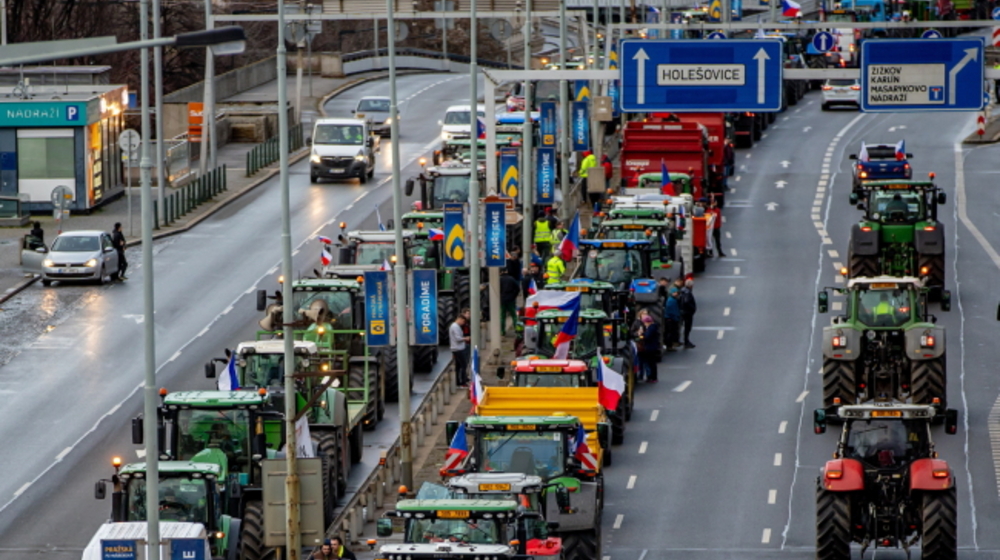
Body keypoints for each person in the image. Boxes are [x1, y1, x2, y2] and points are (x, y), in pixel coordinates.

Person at [636, 310, 661, 382]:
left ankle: (653, 377)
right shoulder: (652, 327)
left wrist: (642, 335)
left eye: (645, 323)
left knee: (651, 363)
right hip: (650, 347)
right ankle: (651, 377)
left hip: (651, 348)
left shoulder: (651, 328)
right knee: (650, 363)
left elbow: (647, 336)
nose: (644, 324)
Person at [450, 312, 471, 386]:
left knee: (459, 366)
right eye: (463, 321)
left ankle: (458, 382)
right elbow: (457, 338)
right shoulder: (455, 327)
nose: (463, 323)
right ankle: (463, 381)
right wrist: (466, 338)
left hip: (457, 348)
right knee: (463, 365)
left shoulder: (455, 326)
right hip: (458, 349)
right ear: (460, 319)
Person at [500, 270, 520, 336]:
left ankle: (502, 331)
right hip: (511, 300)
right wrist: (514, 296)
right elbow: (518, 288)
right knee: (514, 315)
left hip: (502, 300)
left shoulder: (500, 280)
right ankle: (517, 329)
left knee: (502, 316)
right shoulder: (511, 279)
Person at [679, 278, 697, 349]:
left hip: (683, 311)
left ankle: (685, 340)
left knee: (684, 326)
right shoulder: (688, 292)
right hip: (687, 313)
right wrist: (692, 308)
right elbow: (686, 301)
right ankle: (686, 341)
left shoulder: (682, 291)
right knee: (687, 327)